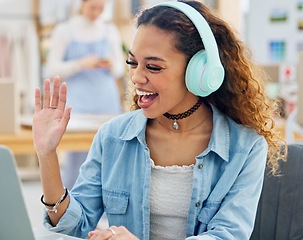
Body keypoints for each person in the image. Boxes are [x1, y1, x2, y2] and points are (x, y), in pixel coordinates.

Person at [32, 1, 286, 239]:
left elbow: (226, 235)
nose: (136, 78)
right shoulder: (112, 136)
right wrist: (47, 154)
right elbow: (75, 225)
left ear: (200, 72)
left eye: (153, 67)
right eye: (133, 63)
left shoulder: (245, 147)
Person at [45, 0, 125, 190]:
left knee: (108, 157)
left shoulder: (110, 31)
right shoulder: (64, 31)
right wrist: (80, 64)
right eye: (93, 7)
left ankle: (108, 212)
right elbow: (50, 69)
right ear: (81, 4)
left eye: (101, 8)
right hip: (78, 104)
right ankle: (70, 208)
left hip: (106, 102)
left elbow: (120, 69)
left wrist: (110, 65)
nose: (97, 12)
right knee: (77, 159)